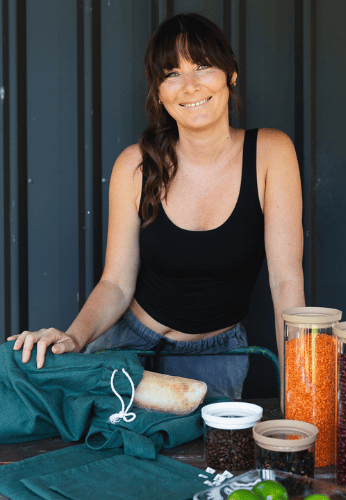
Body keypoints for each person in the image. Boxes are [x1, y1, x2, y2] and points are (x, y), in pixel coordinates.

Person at [7, 13, 304, 399]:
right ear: (159, 93)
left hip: (213, 359)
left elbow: (285, 280)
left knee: (195, 458)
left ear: (230, 74)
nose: (190, 85)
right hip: (127, 345)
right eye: (172, 74)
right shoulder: (135, 166)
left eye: (203, 66)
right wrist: (74, 338)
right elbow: (115, 282)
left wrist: (299, 389)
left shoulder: (271, 153)